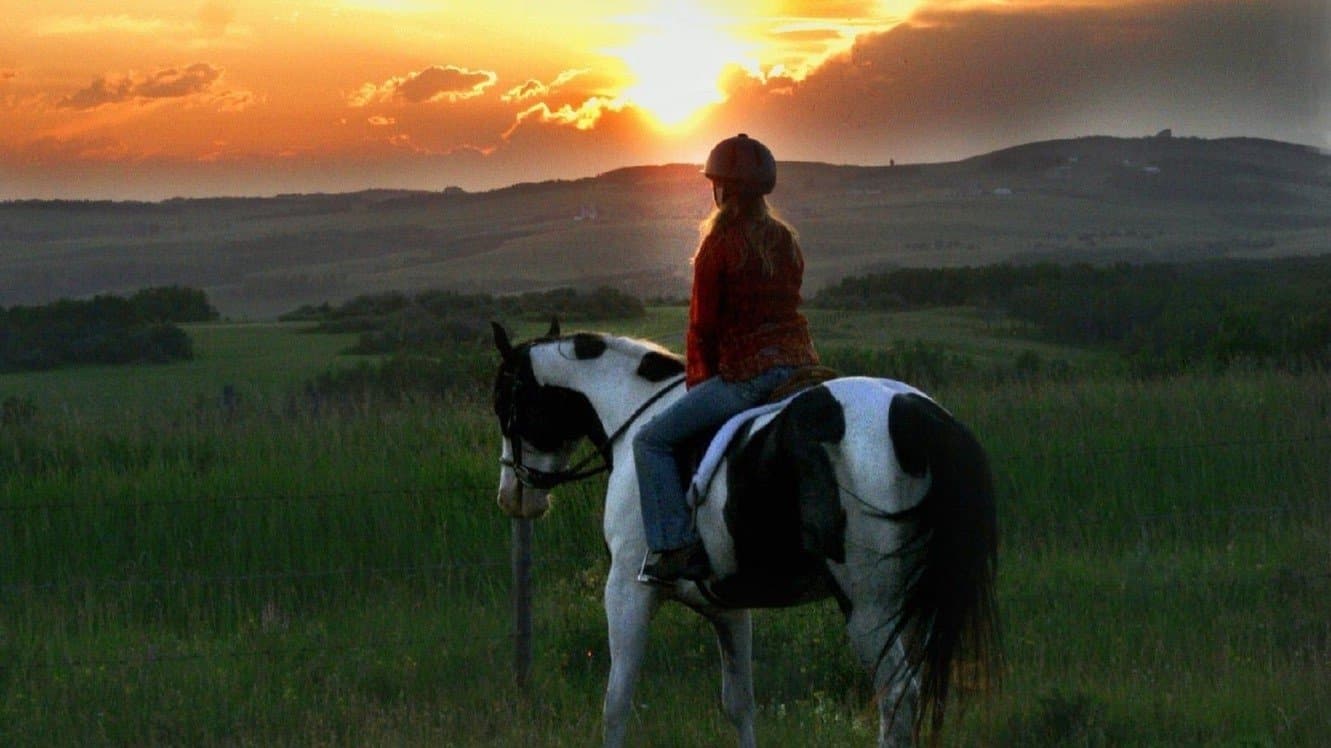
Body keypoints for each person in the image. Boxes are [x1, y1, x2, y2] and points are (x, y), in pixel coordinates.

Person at [634, 133, 820, 584]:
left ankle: (674, 546)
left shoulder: (718, 247)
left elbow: (703, 326)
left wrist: (699, 383)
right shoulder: (786, 241)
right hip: (801, 368)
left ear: (723, 190)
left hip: (748, 377)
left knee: (650, 442)